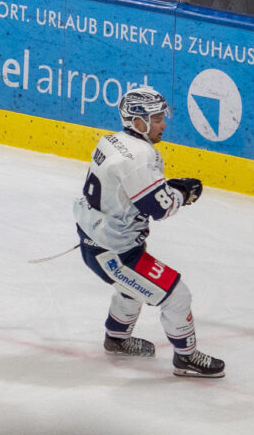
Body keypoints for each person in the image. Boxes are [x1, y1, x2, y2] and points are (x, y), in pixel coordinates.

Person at [73, 86, 225, 378]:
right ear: (137, 122)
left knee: (131, 288)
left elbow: (128, 192)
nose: (163, 124)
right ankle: (186, 358)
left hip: (97, 238)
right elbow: (160, 208)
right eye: (156, 119)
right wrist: (183, 193)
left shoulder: (111, 141)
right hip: (113, 252)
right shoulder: (140, 156)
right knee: (177, 295)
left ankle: (117, 339)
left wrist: (166, 189)